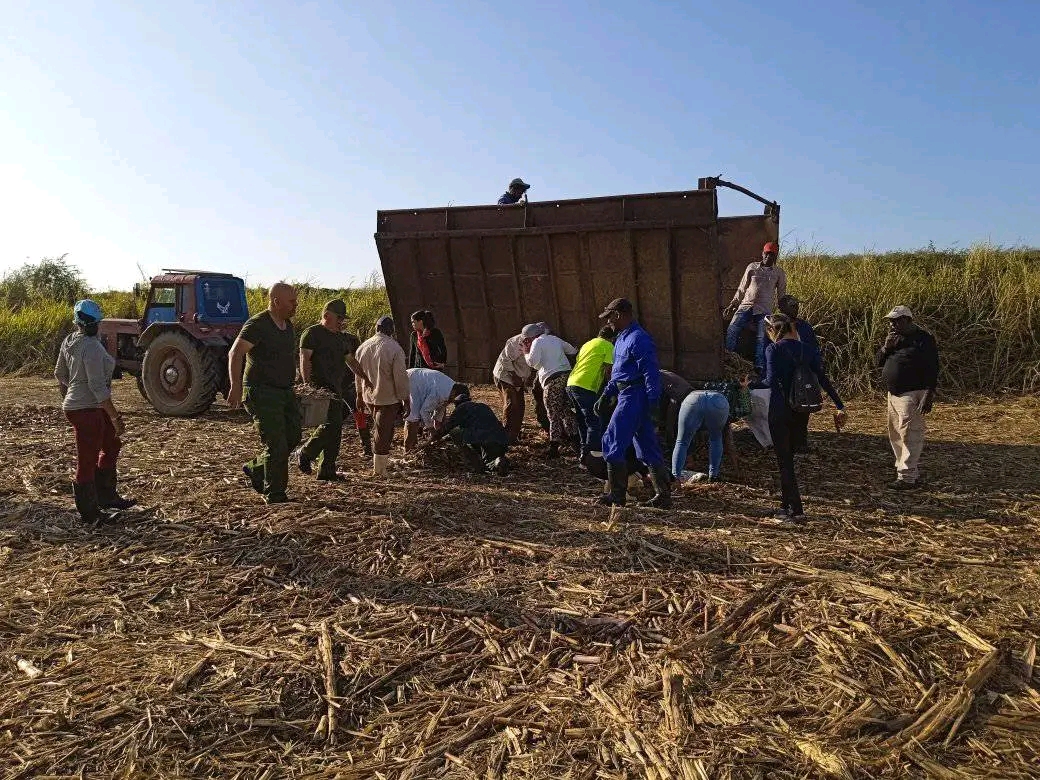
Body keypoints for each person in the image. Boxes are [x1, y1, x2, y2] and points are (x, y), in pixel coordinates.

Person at [751, 314, 847, 520]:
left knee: (784, 461)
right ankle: (787, 505)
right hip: (801, 411)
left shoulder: (773, 349)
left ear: (773, 332)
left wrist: (748, 384)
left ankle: (794, 509)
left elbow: (769, 380)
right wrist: (839, 405)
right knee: (790, 459)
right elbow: (822, 378)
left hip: (780, 410)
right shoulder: (808, 350)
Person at [55, 299, 135, 522]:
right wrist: (115, 417)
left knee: (112, 445)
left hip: (85, 406)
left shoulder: (70, 341)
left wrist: (68, 399)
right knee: (87, 461)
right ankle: (90, 514)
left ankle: (106, 496)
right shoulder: (90, 346)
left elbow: (60, 374)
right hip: (86, 408)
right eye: (92, 322)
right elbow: (97, 387)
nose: (94, 326)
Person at [228, 282, 301, 504]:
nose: (295, 305)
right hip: (262, 391)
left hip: (285, 391)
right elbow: (235, 353)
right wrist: (235, 386)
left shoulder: (287, 325)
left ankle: (256, 468)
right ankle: (275, 493)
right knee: (276, 444)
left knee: (293, 437)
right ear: (276, 301)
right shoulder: (258, 324)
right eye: (291, 302)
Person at [595, 298, 671, 508]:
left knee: (612, 441)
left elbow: (651, 373)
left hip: (634, 396)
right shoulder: (621, 339)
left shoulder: (639, 339)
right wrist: (607, 393)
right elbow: (617, 373)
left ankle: (617, 496)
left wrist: (653, 402)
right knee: (646, 447)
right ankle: (663, 495)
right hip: (627, 394)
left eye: (609, 317)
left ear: (618, 315)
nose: (608, 322)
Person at [297, 299, 370, 481]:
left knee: (335, 430)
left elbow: (351, 361)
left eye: (343, 319)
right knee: (332, 425)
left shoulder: (341, 338)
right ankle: (305, 452)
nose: (341, 322)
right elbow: (304, 359)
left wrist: (365, 377)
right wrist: (308, 386)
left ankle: (327, 469)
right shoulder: (312, 333)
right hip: (320, 390)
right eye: (339, 318)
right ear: (326, 315)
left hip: (336, 390)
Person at [877, 305, 939, 490]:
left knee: (910, 435)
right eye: (890, 321)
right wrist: (886, 347)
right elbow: (877, 361)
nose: (892, 324)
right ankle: (904, 469)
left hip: (912, 393)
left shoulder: (924, 340)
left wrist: (929, 393)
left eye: (897, 320)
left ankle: (907, 477)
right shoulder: (894, 339)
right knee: (896, 433)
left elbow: (933, 367)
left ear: (908, 320)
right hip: (893, 394)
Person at [355, 315, 410, 477]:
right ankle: (379, 470)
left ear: (376, 328)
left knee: (380, 429)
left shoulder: (363, 347)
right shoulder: (394, 348)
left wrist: (359, 395)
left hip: (368, 396)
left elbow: (357, 374)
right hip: (388, 398)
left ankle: (379, 465)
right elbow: (400, 378)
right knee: (383, 432)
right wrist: (406, 399)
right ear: (391, 331)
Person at [724, 242, 787, 374]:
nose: (768, 257)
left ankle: (759, 367)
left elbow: (781, 295)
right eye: (767, 253)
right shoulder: (752, 267)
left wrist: (786, 313)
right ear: (762, 253)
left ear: (775, 256)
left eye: (772, 254)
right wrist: (733, 304)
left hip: (764, 310)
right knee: (732, 328)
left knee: (761, 337)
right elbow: (742, 288)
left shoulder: (779, 273)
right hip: (746, 306)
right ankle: (728, 359)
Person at [670, 382, 746, 484]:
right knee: (716, 439)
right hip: (718, 401)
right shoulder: (731, 396)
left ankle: (675, 477)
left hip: (693, 400)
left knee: (682, 442)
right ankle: (713, 476)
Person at [428, 386, 511, 475]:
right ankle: (500, 460)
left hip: (484, 438)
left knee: (455, 433)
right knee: (492, 457)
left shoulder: (461, 409)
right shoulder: (483, 406)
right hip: (501, 439)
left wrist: (432, 439)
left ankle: (478, 466)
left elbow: (447, 428)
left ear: (456, 403)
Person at [524, 326, 579, 457]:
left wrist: (526, 352)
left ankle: (554, 447)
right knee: (566, 410)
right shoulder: (555, 339)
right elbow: (572, 350)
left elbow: (533, 362)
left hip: (552, 380)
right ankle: (577, 443)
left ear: (531, 337)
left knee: (552, 414)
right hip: (567, 377)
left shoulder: (537, 342)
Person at [566, 326, 615, 459]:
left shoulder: (588, 344)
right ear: (612, 338)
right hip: (585, 386)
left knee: (582, 421)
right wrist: (611, 391)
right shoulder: (608, 345)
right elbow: (608, 370)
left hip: (571, 383)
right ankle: (592, 456)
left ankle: (583, 453)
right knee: (594, 420)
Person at [492, 325, 539, 444]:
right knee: (512, 404)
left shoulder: (537, 343)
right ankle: (506, 436)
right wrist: (515, 377)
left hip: (518, 377)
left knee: (520, 407)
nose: (527, 341)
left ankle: (514, 435)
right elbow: (505, 360)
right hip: (506, 376)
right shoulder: (515, 343)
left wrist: (523, 379)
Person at [405, 368, 462, 451]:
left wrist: (437, 426)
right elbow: (424, 411)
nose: (452, 402)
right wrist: (431, 429)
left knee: (418, 416)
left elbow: (441, 407)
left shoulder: (451, 388)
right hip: (413, 380)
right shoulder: (441, 393)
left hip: (420, 378)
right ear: (454, 394)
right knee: (413, 417)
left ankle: (413, 445)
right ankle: (408, 450)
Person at [657, 369, 694, 454]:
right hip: (687, 395)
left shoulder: (655, 376)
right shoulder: (661, 372)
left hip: (680, 398)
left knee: (674, 427)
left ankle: (679, 454)